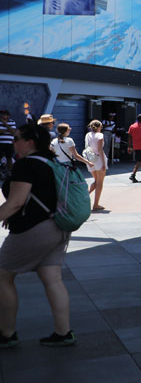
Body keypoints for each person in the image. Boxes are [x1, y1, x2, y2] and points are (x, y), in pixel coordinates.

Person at [0, 122, 76, 347]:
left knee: (2, 276)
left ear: (29, 142)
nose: (13, 143)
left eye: (16, 139)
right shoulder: (51, 161)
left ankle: (6, 333)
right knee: (52, 279)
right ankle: (64, 333)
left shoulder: (26, 166)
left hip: (34, 229)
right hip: (58, 227)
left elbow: (15, 203)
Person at [84, 120, 108, 212]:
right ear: (98, 127)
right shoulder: (100, 135)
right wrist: (104, 164)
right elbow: (100, 150)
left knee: (96, 181)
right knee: (100, 183)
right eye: (101, 127)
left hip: (90, 158)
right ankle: (95, 204)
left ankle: (84, 196)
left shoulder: (88, 135)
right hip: (98, 159)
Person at [0, 109, 15, 173]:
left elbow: (13, 132)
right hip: (0, 143)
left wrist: (5, 123)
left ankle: (10, 173)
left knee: (9, 158)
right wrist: (8, 130)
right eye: (2, 114)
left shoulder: (12, 122)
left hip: (9, 143)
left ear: (8, 116)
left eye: (4, 114)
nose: (2, 116)